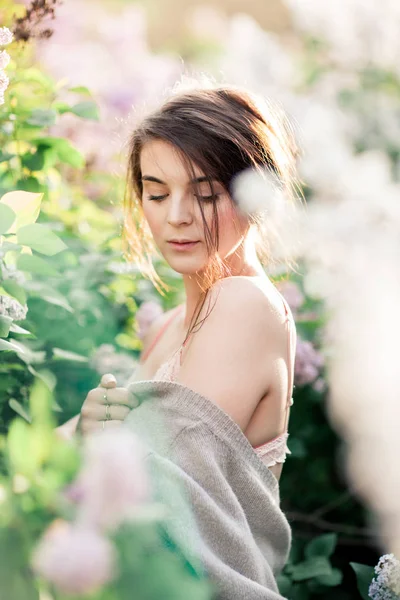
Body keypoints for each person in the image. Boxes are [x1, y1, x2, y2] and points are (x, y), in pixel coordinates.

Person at [57, 83, 298, 598]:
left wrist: (83, 445)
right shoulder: (169, 327)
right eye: (157, 192)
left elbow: (164, 494)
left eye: (206, 193)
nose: (176, 217)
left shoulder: (243, 305)